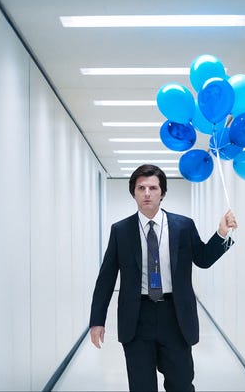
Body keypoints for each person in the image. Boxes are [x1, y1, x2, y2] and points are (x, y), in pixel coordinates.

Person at [89, 164, 237, 391]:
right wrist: (97, 320)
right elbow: (106, 278)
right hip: (137, 317)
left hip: (175, 315)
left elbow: (203, 259)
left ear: (163, 193)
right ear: (133, 193)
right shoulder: (120, 230)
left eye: (153, 188)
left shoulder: (183, 226)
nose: (147, 193)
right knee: (141, 386)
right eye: (141, 188)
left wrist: (221, 234)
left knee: (181, 384)